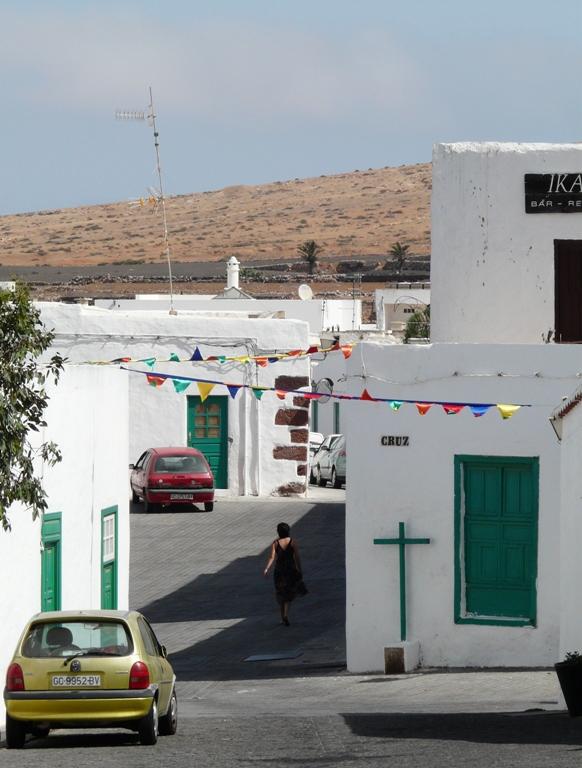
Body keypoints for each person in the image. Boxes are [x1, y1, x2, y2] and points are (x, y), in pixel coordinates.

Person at [263, 522, 308, 626]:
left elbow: (272, 557)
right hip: (290, 570)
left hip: (279, 571)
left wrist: (266, 569)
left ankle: (282, 617)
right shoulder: (292, 542)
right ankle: (286, 615)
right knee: (289, 593)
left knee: (281, 593)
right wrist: (299, 569)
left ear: (278, 532)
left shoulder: (275, 543)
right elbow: (297, 557)